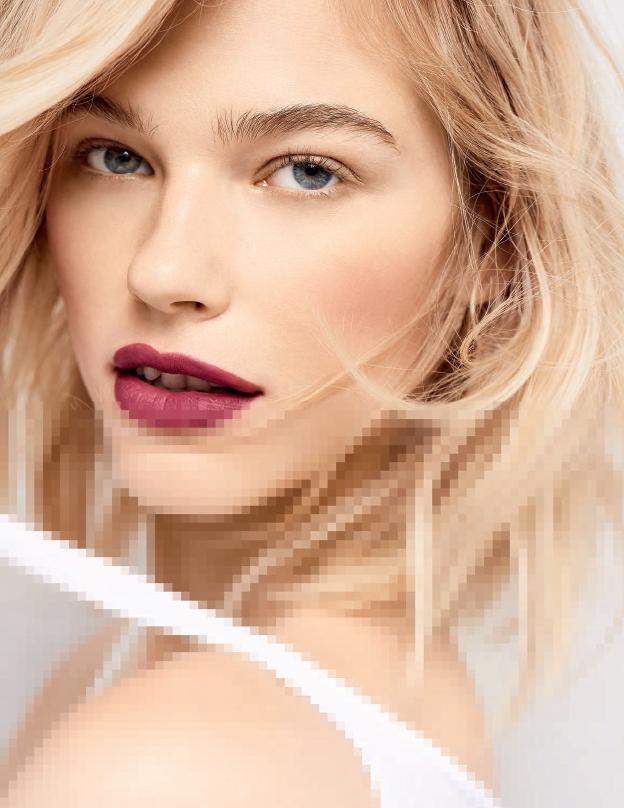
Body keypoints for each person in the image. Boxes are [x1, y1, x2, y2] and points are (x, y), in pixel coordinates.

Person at [1, 0, 623, 805]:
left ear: (492, 241)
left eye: (307, 171)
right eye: (116, 157)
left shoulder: (167, 764)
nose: (164, 271)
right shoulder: (365, 698)